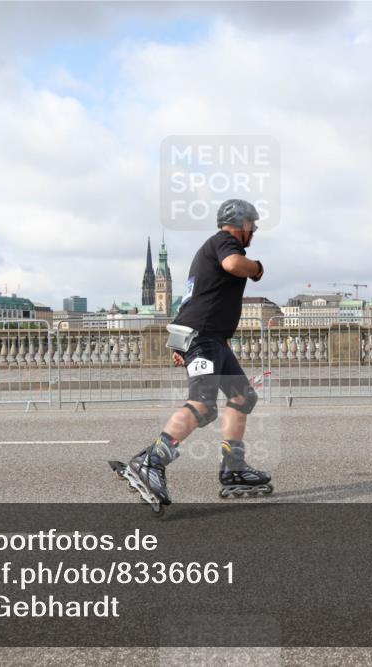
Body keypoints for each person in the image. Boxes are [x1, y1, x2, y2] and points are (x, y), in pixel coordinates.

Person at [109, 199, 272, 513]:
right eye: (252, 225)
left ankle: (233, 467)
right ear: (242, 224)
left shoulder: (208, 251)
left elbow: (188, 300)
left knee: (242, 396)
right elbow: (234, 266)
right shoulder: (224, 241)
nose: (254, 231)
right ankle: (151, 461)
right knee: (203, 403)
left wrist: (178, 343)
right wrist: (258, 269)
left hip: (212, 341)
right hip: (205, 338)